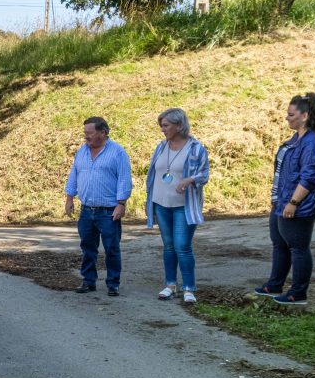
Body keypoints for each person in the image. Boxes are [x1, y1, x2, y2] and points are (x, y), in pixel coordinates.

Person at [255, 93, 315, 306]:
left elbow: (312, 176)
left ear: (304, 116)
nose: (287, 118)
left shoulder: (311, 142)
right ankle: (275, 285)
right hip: (282, 200)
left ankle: (298, 293)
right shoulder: (297, 138)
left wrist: (294, 202)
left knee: (298, 247)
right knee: (279, 243)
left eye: (291, 114)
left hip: (299, 204)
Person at [144, 108, 210, 304]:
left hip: (183, 205)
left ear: (179, 125)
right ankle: (170, 285)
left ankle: (189, 288)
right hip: (161, 203)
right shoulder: (160, 147)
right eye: (161, 126)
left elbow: (204, 174)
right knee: (169, 246)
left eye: (166, 125)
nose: (162, 129)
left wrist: (189, 179)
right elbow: (154, 173)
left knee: (182, 246)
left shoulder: (196, 148)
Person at [64, 117, 132, 296]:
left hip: (109, 211)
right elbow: (74, 175)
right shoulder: (82, 152)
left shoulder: (117, 152)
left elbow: (124, 179)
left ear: (103, 132)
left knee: (111, 248)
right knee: (87, 247)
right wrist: (69, 198)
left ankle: (113, 283)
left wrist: (121, 204)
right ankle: (88, 281)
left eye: (90, 133)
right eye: (85, 133)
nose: (86, 136)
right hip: (86, 210)